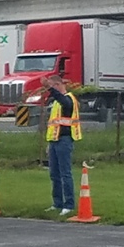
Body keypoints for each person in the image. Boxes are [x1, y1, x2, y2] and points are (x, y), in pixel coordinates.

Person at [41, 74, 81, 215]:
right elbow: (53, 123)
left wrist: (49, 88)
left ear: (58, 85)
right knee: (54, 174)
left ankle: (69, 204)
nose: (51, 90)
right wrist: (49, 142)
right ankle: (57, 203)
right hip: (54, 140)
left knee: (65, 173)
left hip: (64, 140)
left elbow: (64, 102)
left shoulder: (69, 99)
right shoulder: (56, 101)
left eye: (52, 86)